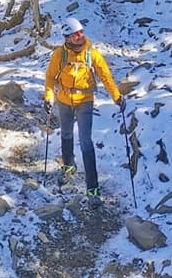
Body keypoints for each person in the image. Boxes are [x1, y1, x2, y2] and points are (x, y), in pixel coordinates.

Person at [43, 16, 125, 205]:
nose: (80, 36)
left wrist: (117, 96)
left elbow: (106, 76)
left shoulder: (92, 53)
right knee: (65, 134)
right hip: (63, 101)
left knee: (86, 141)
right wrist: (48, 97)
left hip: (85, 101)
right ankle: (68, 166)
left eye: (81, 32)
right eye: (75, 34)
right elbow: (49, 78)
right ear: (67, 38)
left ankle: (93, 188)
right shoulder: (59, 55)